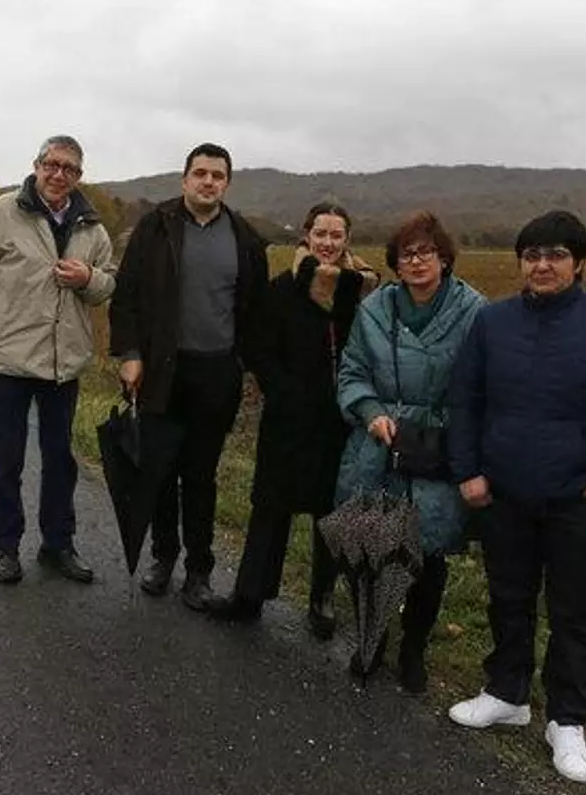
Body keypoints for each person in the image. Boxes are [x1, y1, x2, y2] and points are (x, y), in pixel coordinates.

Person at [445, 211, 586, 785]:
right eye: (532, 255)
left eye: (556, 255)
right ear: (520, 263)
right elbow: (464, 401)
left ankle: (567, 719)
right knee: (508, 596)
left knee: (575, 611)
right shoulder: (492, 323)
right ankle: (507, 693)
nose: (542, 265)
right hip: (504, 494)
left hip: (580, 500)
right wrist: (469, 471)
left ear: (580, 262)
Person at [109, 143, 271, 610]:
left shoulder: (245, 238)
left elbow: (256, 311)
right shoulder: (155, 227)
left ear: (227, 184)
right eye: (200, 173)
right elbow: (127, 295)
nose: (208, 182)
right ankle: (164, 557)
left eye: (217, 175)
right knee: (160, 470)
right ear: (184, 179)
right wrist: (131, 354)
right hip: (163, 369)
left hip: (217, 373)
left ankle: (199, 570)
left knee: (201, 475)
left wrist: (246, 366)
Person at [207, 202, 381, 630]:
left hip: (339, 420)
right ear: (307, 236)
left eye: (336, 235)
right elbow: (258, 346)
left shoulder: (364, 292)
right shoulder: (283, 288)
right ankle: (250, 594)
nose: (327, 242)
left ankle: (322, 598)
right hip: (287, 416)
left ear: (347, 240)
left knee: (330, 510)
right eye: (320, 233)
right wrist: (283, 390)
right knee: (270, 505)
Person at [332, 210, 486, 692]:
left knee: (428, 554)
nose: (417, 262)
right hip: (379, 445)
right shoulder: (374, 309)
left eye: (427, 252)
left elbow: (485, 384)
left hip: (437, 449)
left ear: (445, 258)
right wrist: (369, 411)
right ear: (395, 263)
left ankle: (414, 648)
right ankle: (371, 638)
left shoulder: (475, 312)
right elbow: (352, 370)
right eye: (407, 254)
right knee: (368, 547)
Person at [0, 135, 117, 585]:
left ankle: (58, 545)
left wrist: (88, 277)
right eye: (52, 164)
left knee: (60, 460)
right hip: (7, 363)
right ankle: (6, 548)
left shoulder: (92, 228)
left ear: (79, 176)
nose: (59, 174)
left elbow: (108, 285)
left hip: (64, 365)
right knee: (7, 463)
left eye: (69, 168)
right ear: (36, 165)